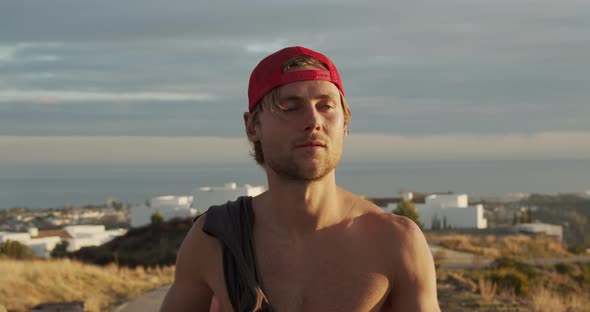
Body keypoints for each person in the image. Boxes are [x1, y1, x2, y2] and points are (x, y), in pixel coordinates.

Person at [161, 46, 439, 311]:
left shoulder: (395, 242)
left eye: (326, 106)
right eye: (290, 107)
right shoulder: (215, 239)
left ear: (345, 125)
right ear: (252, 127)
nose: (313, 120)